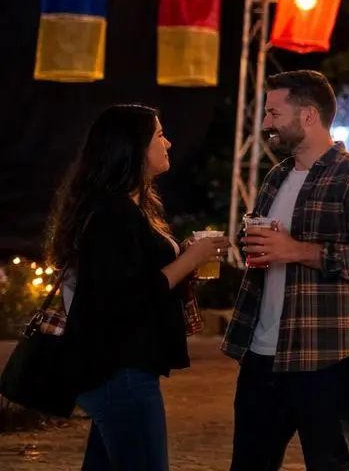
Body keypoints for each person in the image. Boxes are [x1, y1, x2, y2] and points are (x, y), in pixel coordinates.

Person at [224, 70, 349, 471]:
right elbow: (265, 244)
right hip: (262, 354)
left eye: (273, 112)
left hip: (324, 357)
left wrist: (298, 250)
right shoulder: (277, 175)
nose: (266, 122)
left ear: (306, 116)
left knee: (327, 463)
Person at [48, 105, 228, 471]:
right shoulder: (110, 214)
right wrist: (190, 260)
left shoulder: (126, 207)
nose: (169, 142)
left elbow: (131, 279)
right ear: (131, 148)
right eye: (159, 135)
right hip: (118, 369)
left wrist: (186, 262)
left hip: (120, 367)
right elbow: (124, 297)